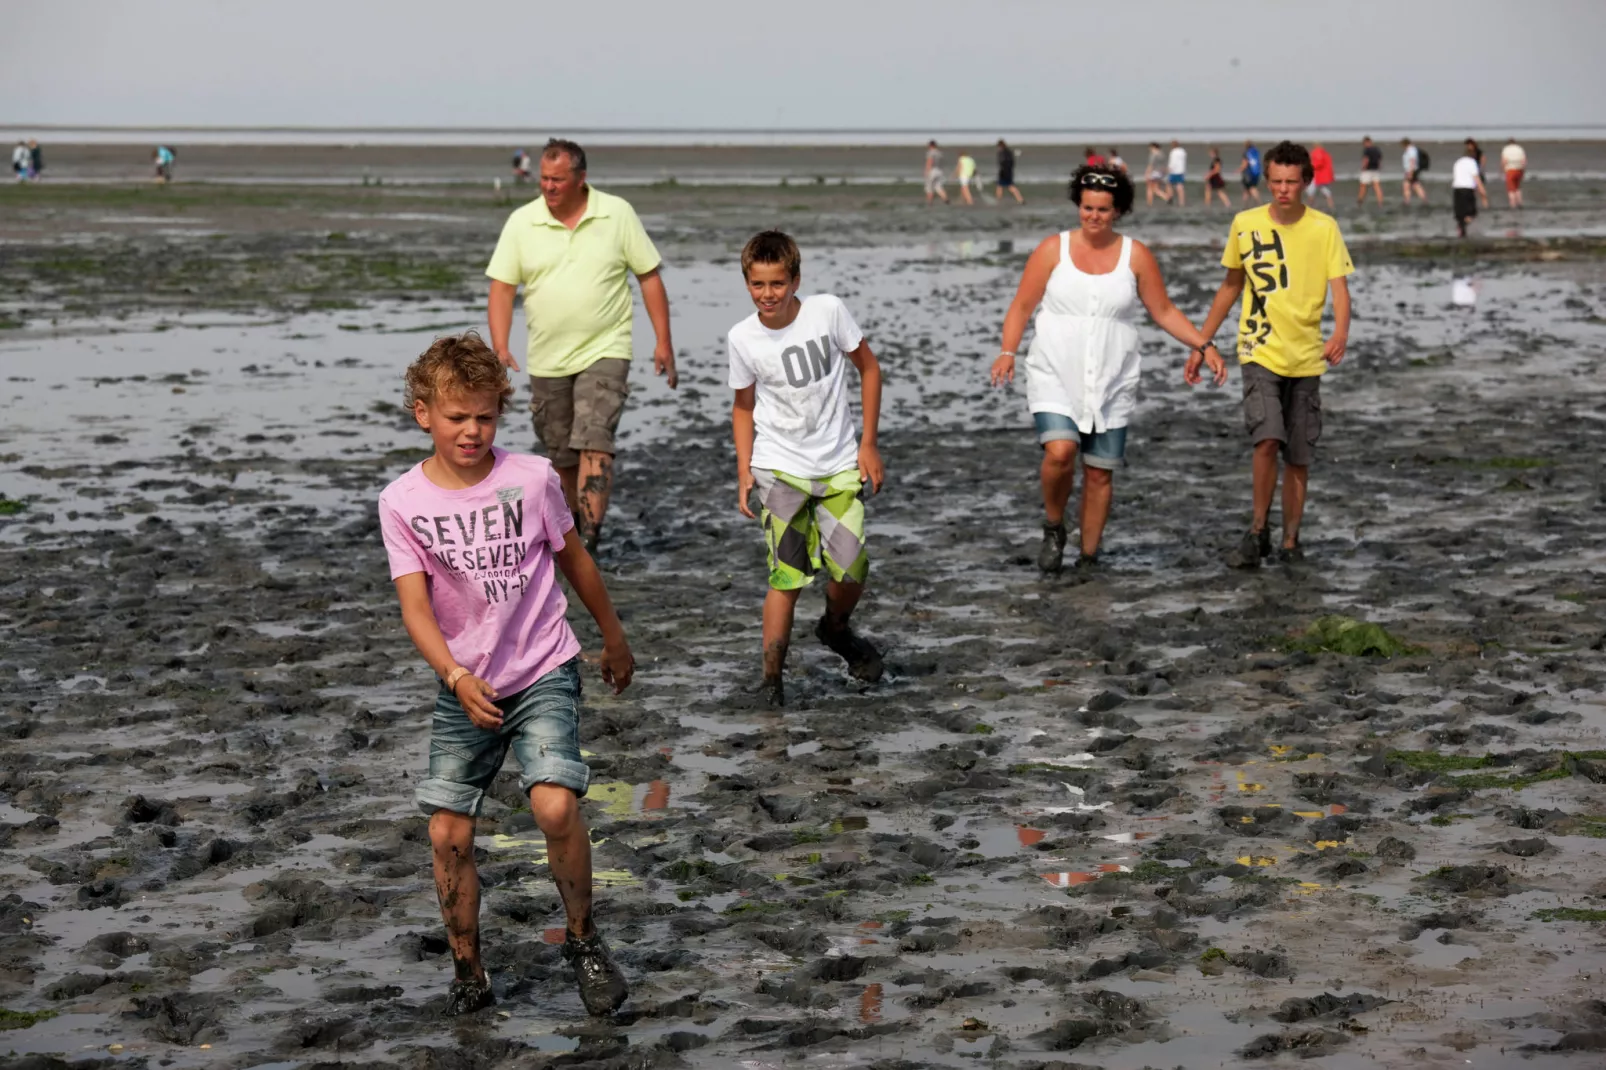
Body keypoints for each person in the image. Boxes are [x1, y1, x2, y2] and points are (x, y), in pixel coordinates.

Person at [377, 332, 635, 1017]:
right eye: (457, 417)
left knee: (553, 804)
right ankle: (468, 970)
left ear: (501, 413)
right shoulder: (403, 501)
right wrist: (455, 676)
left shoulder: (532, 478)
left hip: (543, 666)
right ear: (422, 413)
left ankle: (583, 938)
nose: (472, 431)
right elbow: (414, 607)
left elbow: (574, 561)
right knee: (447, 832)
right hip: (465, 683)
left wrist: (613, 636)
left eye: (485, 417)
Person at [990, 165, 1226, 575]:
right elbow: (1021, 306)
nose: (1092, 216)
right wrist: (1008, 352)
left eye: (1101, 209)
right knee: (1060, 452)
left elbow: (1164, 310)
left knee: (1099, 474)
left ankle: (1088, 557)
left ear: (1117, 210)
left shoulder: (1136, 256)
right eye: (1086, 207)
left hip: (1112, 378)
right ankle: (1053, 526)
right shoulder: (1052, 250)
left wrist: (1202, 345)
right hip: (1054, 371)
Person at [485, 139, 676, 553]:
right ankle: (572, 534)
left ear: (581, 179)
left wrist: (664, 341)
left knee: (595, 438)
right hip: (547, 358)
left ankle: (591, 536)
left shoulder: (616, 213)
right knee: (562, 453)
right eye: (544, 179)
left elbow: (649, 276)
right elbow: (502, 288)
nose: (549, 187)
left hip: (606, 347)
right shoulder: (522, 222)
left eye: (558, 180)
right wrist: (499, 345)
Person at [728, 230, 885, 708]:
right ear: (747, 283)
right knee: (787, 577)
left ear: (796, 279)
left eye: (777, 283)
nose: (768, 294)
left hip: (838, 464)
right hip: (779, 468)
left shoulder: (828, 311)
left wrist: (869, 443)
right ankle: (772, 680)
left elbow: (869, 369)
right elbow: (742, 406)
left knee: (851, 565)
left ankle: (835, 628)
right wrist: (743, 469)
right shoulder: (742, 338)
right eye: (758, 285)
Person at [1190, 141, 1353, 567]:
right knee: (1266, 440)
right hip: (1259, 349)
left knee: (1298, 455)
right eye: (1276, 182)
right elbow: (1230, 286)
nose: (1283, 189)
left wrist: (1340, 332)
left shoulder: (1324, 228)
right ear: (1267, 181)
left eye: (1291, 182)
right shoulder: (1245, 224)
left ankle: (1290, 541)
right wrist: (1202, 342)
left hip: (1307, 357)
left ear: (1305, 182)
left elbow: (1340, 287)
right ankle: (1258, 530)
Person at [1451, 143, 1487, 238]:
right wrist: (1483, 193)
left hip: (1457, 189)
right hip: (1467, 189)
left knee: (1460, 213)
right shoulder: (1472, 163)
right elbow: (1476, 179)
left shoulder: (1457, 162)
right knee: (1471, 213)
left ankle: (1461, 229)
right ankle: (1463, 226)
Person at [995, 139, 1024, 204]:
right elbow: (1012, 162)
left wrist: (1002, 170)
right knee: (1011, 186)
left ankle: (998, 200)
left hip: (1004, 172)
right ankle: (1020, 199)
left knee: (1000, 187)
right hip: (1009, 172)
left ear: (1000, 146)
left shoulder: (1001, 153)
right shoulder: (1009, 152)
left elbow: (1001, 162)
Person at [1307, 142, 1335, 209]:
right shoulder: (1325, 153)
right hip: (1324, 177)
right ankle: (1332, 208)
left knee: (1311, 192)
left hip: (1317, 176)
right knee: (1327, 193)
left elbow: (1318, 163)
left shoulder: (1317, 153)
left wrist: (1309, 167)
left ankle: (1309, 208)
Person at [1356, 136, 1382, 205]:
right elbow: (1379, 160)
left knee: (1363, 186)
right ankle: (1380, 203)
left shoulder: (1367, 150)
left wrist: (1363, 168)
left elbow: (1366, 160)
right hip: (1375, 170)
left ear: (1366, 142)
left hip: (1367, 170)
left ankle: (1360, 201)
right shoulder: (1377, 149)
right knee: (1377, 187)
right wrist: (1378, 167)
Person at [1501, 137, 1526, 209]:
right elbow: (1524, 161)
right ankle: (1520, 202)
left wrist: (1502, 170)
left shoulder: (1506, 149)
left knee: (1511, 188)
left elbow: (1504, 161)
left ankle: (1513, 204)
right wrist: (1523, 170)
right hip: (1519, 169)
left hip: (1510, 169)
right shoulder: (1520, 149)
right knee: (1517, 187)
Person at [1400, 138, 1427, 204]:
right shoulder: (1412, 150)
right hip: (1412, 170)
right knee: (1415, 185)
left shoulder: (1411, 150)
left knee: (1407, 185)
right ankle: (1424, 199)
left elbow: (1412, 161)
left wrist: (1411, 172)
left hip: (1412, 170)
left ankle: (1407, 201)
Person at [1467, 139, 1491, 208]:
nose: (1469, 147)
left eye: (1470, 145)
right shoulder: (1468, 154)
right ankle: (1472, 206)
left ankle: (1486, 205)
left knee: (1482, 191)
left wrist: (1480, 169)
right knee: (1472, 192)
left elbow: (1483, 159)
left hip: (1478, 173)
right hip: (1471, 174)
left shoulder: (1478, 152)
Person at [924, 140, 949, 206]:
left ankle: (930, 203)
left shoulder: (930, 152)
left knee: (929, 187)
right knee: (938, 187)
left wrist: (927, 171)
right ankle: (946, 199)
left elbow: (930, 161)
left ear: (930, 145)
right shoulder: (940, 153)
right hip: (939, 171)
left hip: (932, 170)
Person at [1167, 140, 1188, 207]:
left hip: (1174, 171)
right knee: (1180, 187)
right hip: (1181, 171)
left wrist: (1169, 168)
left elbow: (1172, 162)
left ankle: (1170, 197)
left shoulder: (1173, 152)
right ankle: (1182, 202)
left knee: (1169, 184)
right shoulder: (1183, 151)